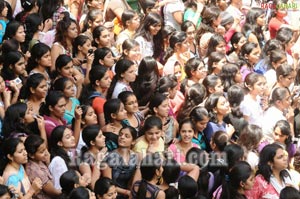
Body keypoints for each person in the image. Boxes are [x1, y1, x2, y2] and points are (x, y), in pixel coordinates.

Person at [102, 126, 138, 198]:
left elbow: (134, 181)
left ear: (133, 141)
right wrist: (126, 192)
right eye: (120, 134)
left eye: (126, 136)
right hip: (112, 195)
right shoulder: (109, 157)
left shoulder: (135, 157)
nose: (122, 137)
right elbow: (107, 184)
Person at [48, 125, 76, 190]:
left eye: (72, 135)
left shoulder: (70, 153)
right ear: (60, 143)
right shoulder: (58, 161)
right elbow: (59, 187)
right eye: (68, 137)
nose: (73, 138)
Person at [79, 125, 106, 190]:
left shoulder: (103, 151)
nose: (104, 137)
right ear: (92, 142)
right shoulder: (85, 161)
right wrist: (98, 160)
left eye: (102, 135)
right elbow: (93, 186)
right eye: (100, 136)